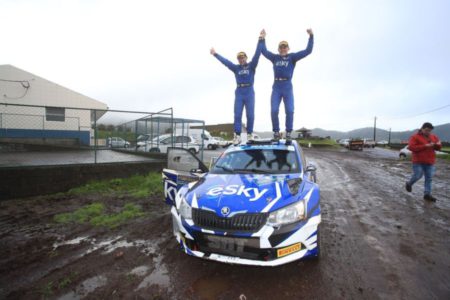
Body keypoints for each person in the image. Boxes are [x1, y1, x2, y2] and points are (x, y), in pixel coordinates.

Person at [210, 32, 265, 144]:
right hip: (239, 92)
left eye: (243, 57)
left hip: (249, 91)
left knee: (250, 114)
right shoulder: (236, 68)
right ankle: (237, 135)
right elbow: (226, 62)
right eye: (239, 58)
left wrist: (261, 39)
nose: (241, 59)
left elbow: (257, 54)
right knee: (237, 114)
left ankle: (249, 134)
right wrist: (215, 54)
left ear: (246, 58)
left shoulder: (252, 66)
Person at [260, 28, 314, 140]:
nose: (283, 49)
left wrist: (311, 36)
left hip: (287, 86)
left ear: (288, 48)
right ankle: (276, 132)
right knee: (274, 110)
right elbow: (264, 51)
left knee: (289, 110)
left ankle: (288, 132)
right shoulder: (275, 57)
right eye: (281, 47)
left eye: (285, 47)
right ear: (278, 49)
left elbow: (308, 51)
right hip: (276, 87)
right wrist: (262, 38)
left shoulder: (292, 57)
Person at [405, 122, 442, 201]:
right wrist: (425, 146)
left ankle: (427, 194)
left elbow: (438, 148)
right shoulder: (414, 137)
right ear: (422, 128)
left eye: (429, 131)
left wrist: (438, 145)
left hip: (430, 161)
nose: (428, 132)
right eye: (426, 130)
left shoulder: (434, 137)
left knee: (429, 178)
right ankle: (409, 183)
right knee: (418, 176)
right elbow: (411, 147)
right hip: (418, 161)